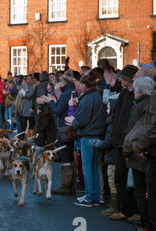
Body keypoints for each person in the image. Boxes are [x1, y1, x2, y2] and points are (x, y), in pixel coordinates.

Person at [123, 65, 156, 231]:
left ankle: (146, 226)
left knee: (142, 193)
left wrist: (129, 150)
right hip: (144, 151)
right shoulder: (148, 103)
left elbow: (134, 131)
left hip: (140, 153)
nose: (133, 92)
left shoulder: (140, 107)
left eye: (135, 90)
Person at [65, 71, 106, 207]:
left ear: (83, 84)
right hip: (97, 135)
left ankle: (89, 197)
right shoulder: (96, 95)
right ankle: (93, 196)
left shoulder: (87, 98)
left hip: (88, 136)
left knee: (87, 168)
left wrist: (73, 121)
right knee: (94, 168)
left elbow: (81, 120)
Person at [109, 65, 140, 222]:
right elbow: (116, 113)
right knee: (120, 178)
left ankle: (136, 211)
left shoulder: (136, 95)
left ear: (129, 79)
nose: (119, 80)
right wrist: (114, 127)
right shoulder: (123, 93)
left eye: (122, 77)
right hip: (120, 142)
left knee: (134, 181)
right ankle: (125, 210)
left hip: (131, 144)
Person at [43, 70, 77, 195]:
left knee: (66, 156)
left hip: (64, 128)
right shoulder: (73, 91)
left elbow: (58, 111)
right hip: (70, 127)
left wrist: (50, 102)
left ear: (63, 81)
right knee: (70, 155)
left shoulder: (66, 93)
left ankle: (66, 185)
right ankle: (71, 185)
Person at [35, 71, 57, 147]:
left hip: (44, 111)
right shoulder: (51, 84)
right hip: (52, 110)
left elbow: (41, 99)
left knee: (41, 130)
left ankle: (40, 147)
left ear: (41, 77)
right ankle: (51, 146)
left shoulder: (41, 86)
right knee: (50, 131)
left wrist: (39, 108)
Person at [19, 74, 36, 140]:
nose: (28, 80)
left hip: (30, 109)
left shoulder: (33, 87)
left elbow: (28, 95)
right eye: (27, 79)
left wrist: (21, 90)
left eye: (30, 79)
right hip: (24, 109)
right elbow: (22, 96)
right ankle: (25, 138)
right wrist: (21, 90)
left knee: (30, 126)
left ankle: (30, 139)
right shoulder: (25, 87)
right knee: (24, 126)